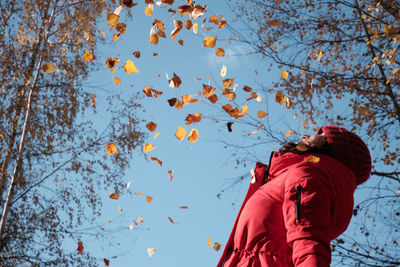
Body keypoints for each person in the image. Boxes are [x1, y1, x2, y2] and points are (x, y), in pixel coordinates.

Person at [217, 126, 372, 267]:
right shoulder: (299, 174)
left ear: (330, 146)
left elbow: (308, 239)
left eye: (319, 135)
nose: (305, 136)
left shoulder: (309, 176)